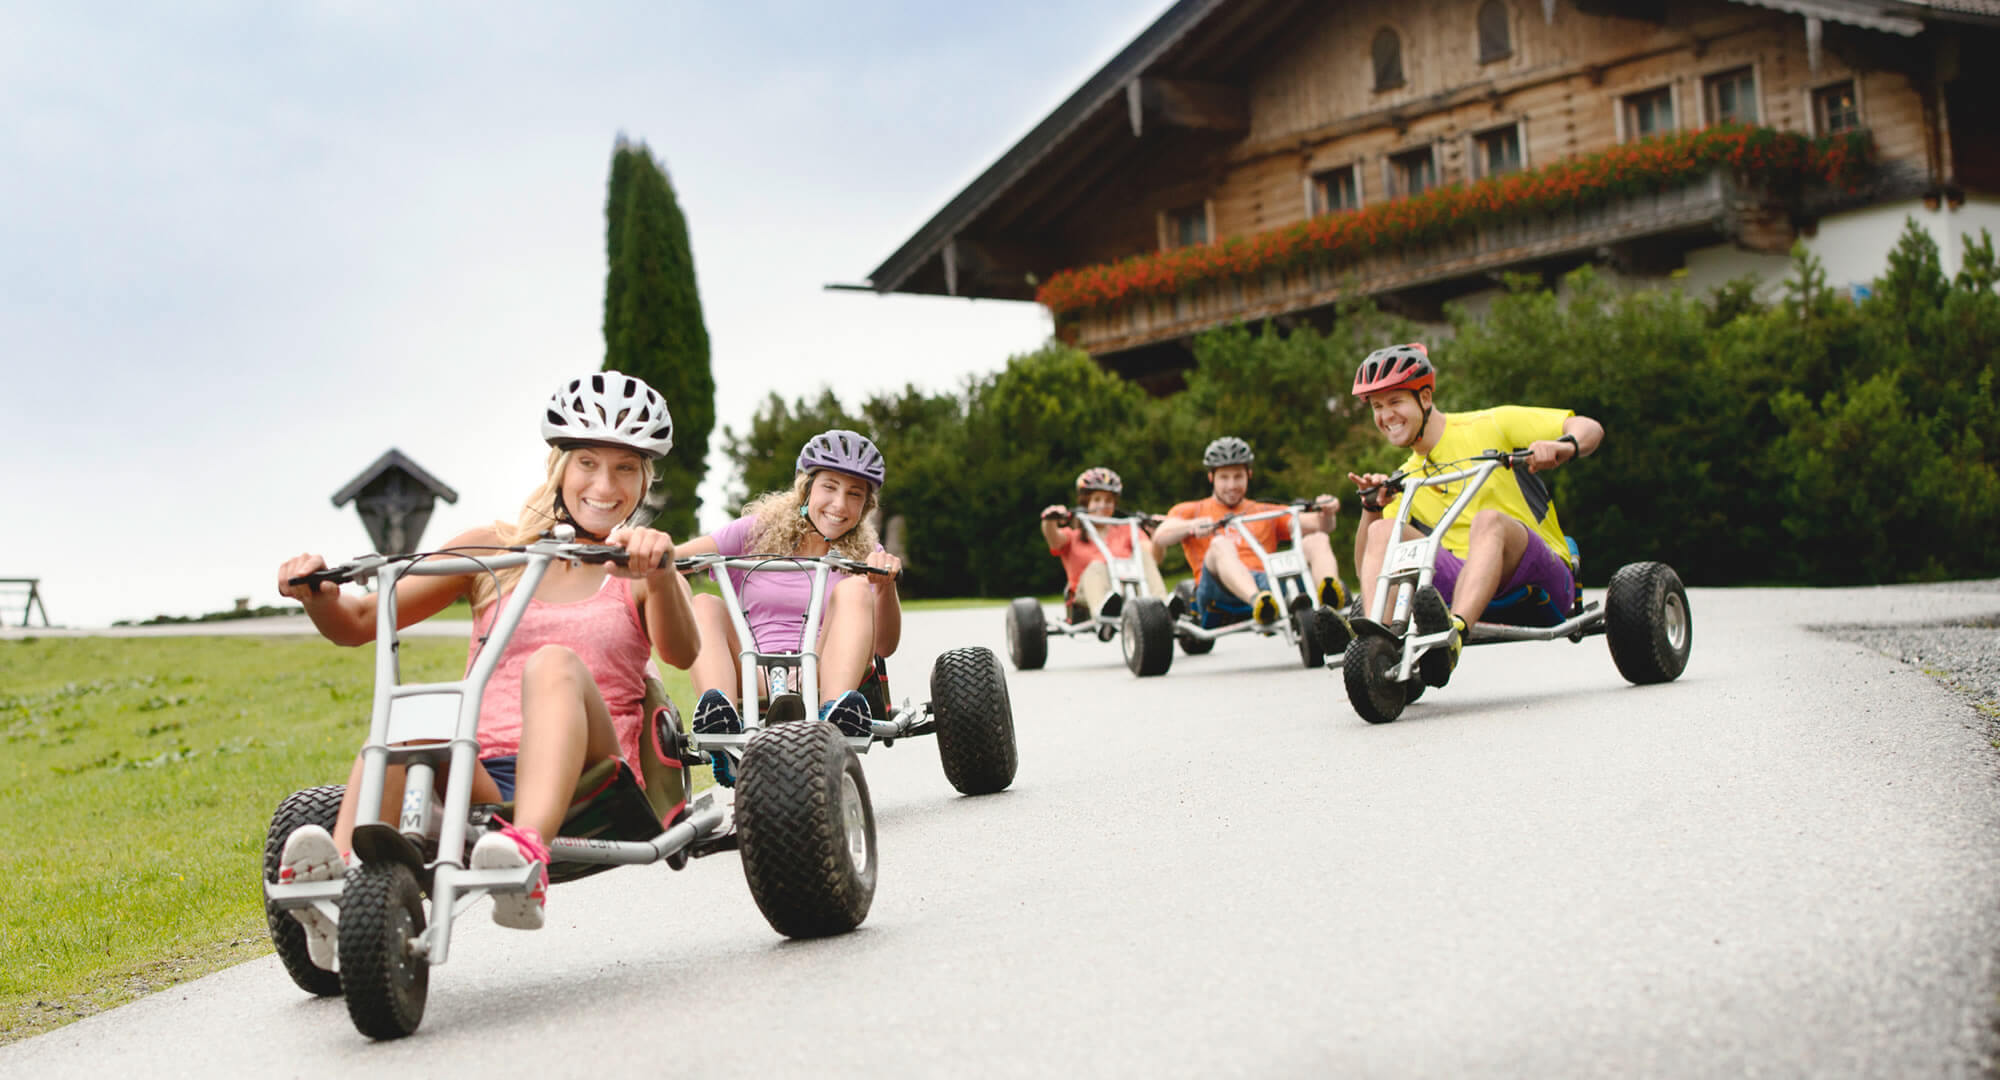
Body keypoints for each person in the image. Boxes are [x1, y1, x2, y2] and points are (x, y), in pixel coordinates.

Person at [273, 371, 700, 958]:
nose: (605, 484)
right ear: (559, 466)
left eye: (626, 468)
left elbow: (683, 655)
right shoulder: (493, 551)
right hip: (484, 778)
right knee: (420, 712)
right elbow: (359, 622)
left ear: (644, 477)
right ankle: (339, 897)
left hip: (593, 780)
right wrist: (317, 596)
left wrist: (662, 572)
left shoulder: (638, 561)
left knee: (553, 662)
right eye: (588, 463)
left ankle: (526, 852)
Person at [1346, 342, 1603, 687]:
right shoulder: (1405, 478)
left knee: (1488, 520)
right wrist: (1371, 508)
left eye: (1395, 402)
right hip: (1464, 583)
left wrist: (1564, 445)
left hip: (1538, 577)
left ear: (1424, 398)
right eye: (1377, 407)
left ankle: (1453, 640)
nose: (1385, 416)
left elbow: (1589, 427)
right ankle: (1379, 643)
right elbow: (1368, 567)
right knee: (1384, 532)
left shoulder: (1492, 425)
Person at [677, 430, 903, 749]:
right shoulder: (754, 531)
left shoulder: (868, 551)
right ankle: (721, 723)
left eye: (855, 494)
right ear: (807, 488)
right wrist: (633, 550)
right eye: (829, 487)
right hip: (754, 670)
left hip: (825, 672)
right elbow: (675, 557)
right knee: (703, 604)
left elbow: (883, 647)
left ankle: (834, 715)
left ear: (865, 505)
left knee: (854, 588)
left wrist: (884, 588)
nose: (840, 505)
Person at [1150, 437, 1351, 645]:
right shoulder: (1193, 510)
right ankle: (1258, 602)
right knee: (1220, 544)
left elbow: (1322, 525)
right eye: (1224, 478)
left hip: (1268, 582)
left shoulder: (1262, 510)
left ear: (1249, 475)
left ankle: (1329, 599)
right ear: (1211, 477)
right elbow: (1160, 536)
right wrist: (1190, 526)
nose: (1232, 485)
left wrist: (1327, 511)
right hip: (1218, 593)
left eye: (1238, 477)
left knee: (1317, 539)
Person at [1039, 466, 1168, 630]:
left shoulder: (1128, 530)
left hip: (1128, 589)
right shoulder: (1073, 536)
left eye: (1108, 501)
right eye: (1097, 500)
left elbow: (1154, 558)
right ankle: (1104, 616)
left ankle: (1161, 607)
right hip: (1086, 595)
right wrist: (1050, 520)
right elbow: (1054, 539)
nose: (1103, 505)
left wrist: (1158, 535)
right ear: (1086, 503)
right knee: (1097, 566)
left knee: (1142, 556)